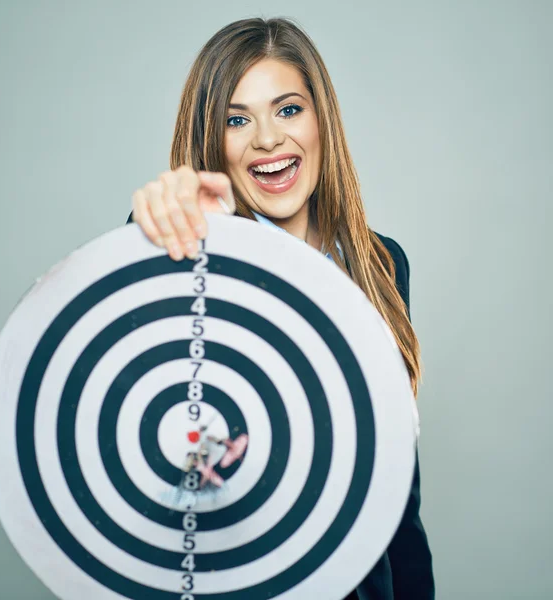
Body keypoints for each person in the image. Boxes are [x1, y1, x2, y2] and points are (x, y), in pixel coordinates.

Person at [127, 17, 435, 600]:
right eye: (236, 120)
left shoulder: (383, 264)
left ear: (322, 120)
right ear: (212, 142)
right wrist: (164, 230)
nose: (267, 139)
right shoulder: (194, 259)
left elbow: (399, 501)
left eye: (288, 109)